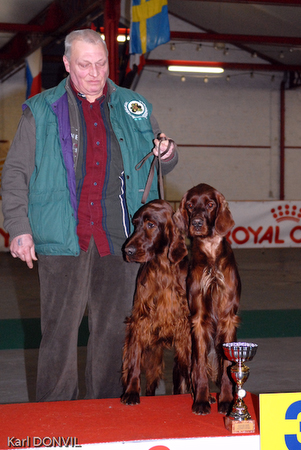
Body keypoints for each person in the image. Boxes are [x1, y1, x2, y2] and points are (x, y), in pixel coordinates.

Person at [1, 29, 178, 402]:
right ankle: (54, 415)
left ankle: (108, 412)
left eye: (101, 64)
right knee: (59, 334)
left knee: (115, 333)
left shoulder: (135, 106)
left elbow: (162, 157)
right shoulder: (41, 109)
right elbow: (15, 172)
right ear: (67, 64)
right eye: (85, 65)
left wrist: (168, 152)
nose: (95, 73)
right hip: (63, 238)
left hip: (121, 239)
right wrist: (19, 228)